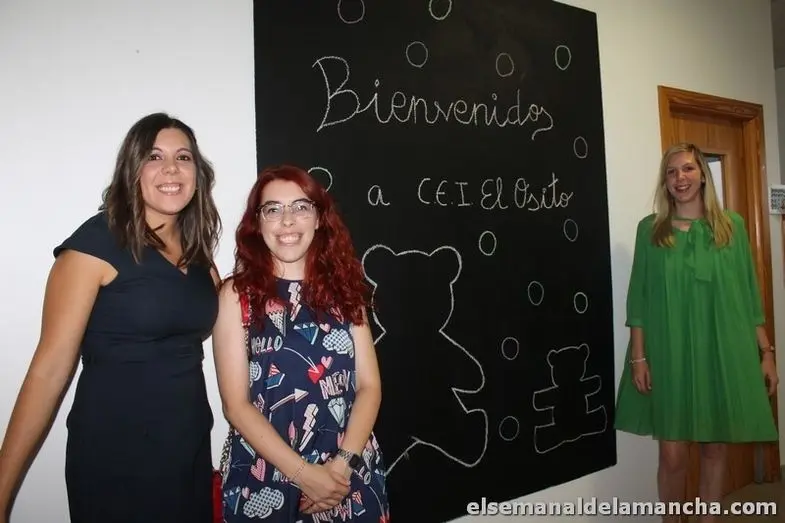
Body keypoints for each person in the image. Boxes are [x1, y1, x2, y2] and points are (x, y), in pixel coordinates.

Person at [0, 112, 222, 523]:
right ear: (132, 170)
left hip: (188, 453)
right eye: (153, 157)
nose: (171, 168)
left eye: (183, 157)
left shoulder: (199, 258)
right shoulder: (95, 245)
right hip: (116, 459)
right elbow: (48, 371)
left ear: (198, 173)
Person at [212, 165, 390, 522]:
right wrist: (306, 476)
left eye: (301, 207)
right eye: (273, 209)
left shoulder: (345, 291)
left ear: (319, 218)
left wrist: (340, 468)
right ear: (257, 223)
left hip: (349, 474)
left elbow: (370, 387)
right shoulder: (235, 296)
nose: (287, 221)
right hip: (267, 476)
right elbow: (236, 406)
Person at [614, 143, 779, 523]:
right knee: (672, 455)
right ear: (665, 181)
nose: (680, 178)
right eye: (671, 172)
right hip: (669, 351)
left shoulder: (731, 227)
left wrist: (766, 352)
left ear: (703, 174)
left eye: (688, 168)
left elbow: (748, 294)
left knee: (714, 449)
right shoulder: (651, 230)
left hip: (720, 349)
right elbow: (638, 298)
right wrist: (639, 357)